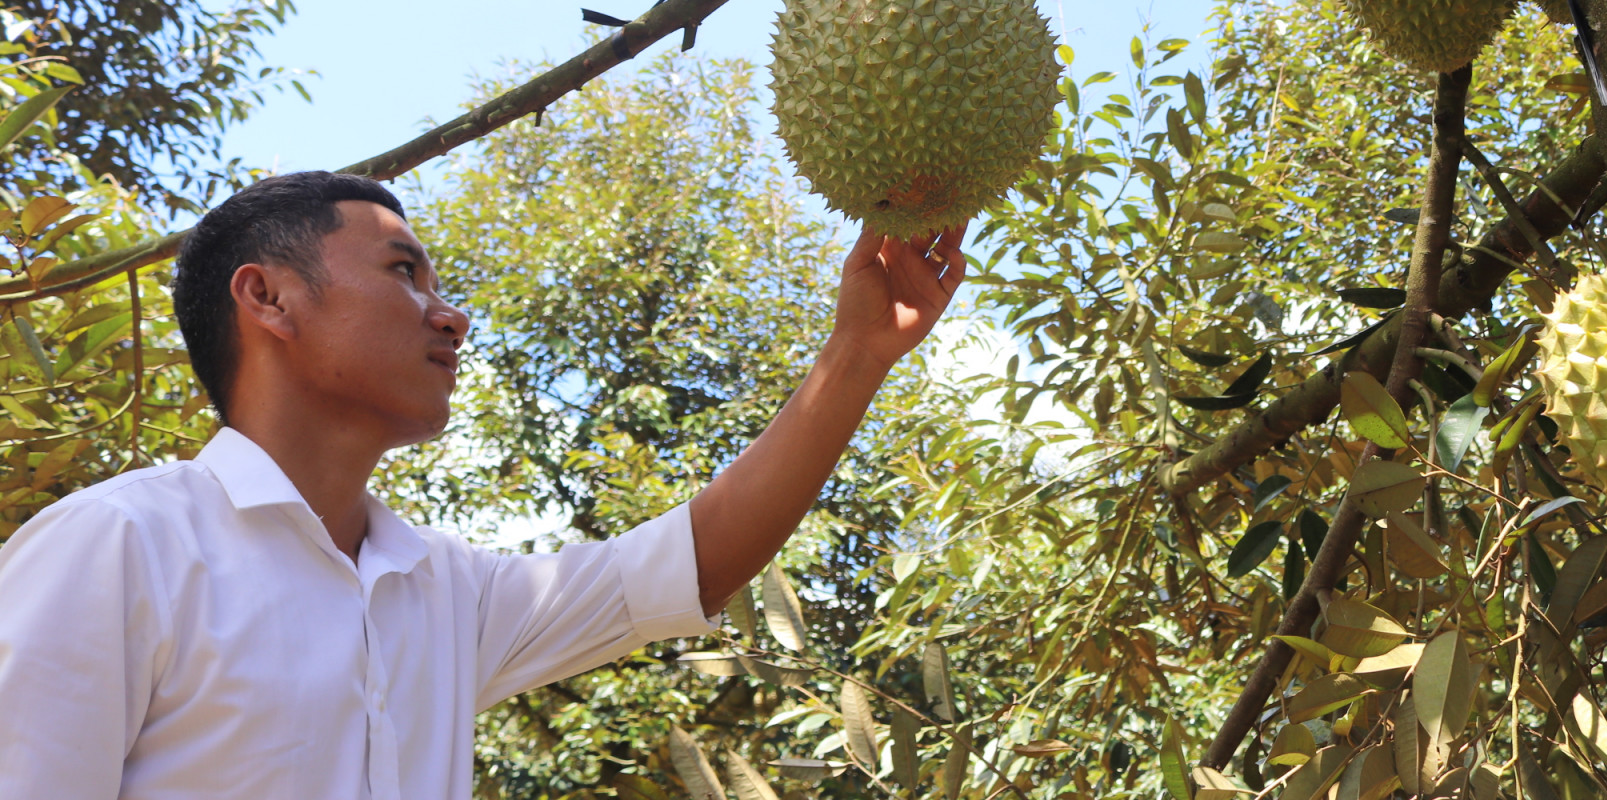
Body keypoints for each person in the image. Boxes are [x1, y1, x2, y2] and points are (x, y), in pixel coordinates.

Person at [0, 171, 965, 799]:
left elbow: (692, 561)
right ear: (268, 299)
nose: (450, 315)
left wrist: (859, 352)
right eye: (404, 271)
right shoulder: (120, 546)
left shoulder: (442, 591)